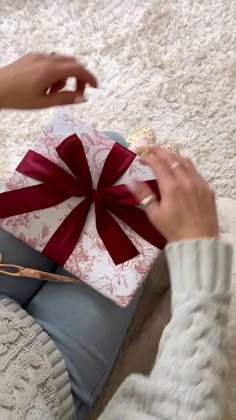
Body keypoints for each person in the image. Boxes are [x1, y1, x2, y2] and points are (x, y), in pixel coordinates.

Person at [0, 53, 233, 420]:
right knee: (137, 194)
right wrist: (200, 255)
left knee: (104, 151)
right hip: (42, 373)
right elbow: (181, 407)